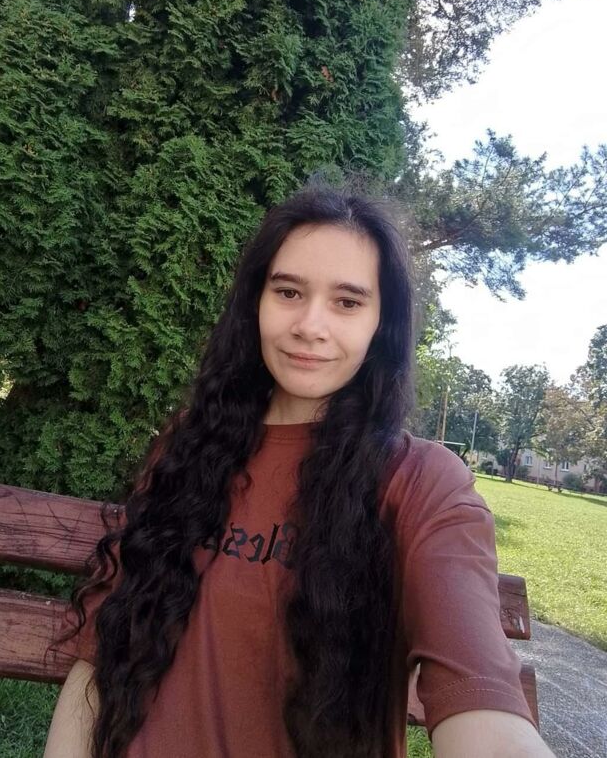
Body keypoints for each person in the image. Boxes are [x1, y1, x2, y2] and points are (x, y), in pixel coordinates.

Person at [44, 184, 556, 758]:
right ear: (255, 303)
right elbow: (101, 652)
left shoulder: (420, 482)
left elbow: (479, 692)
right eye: (288, 291)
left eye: (348, 302)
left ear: (381, 324)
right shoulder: (187, 447)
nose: (310, 325)